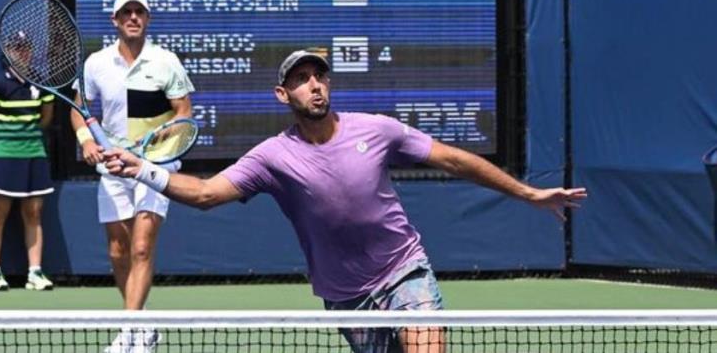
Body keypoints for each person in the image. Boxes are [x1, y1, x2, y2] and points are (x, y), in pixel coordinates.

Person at [104, 49, 588, 352]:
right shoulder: (272, 157)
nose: (315, 84)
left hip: (404, 272)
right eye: (302, 78)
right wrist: (142, 169)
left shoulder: (375, 130)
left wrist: (526, 192)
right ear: (282, 93)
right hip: (346, 298)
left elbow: (454, 160)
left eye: (320, 75)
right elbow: (207, 194)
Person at [70, 0, 194, 352]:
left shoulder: (166, 61)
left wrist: (160, 142)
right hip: (112, 167)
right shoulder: (96, 63)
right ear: (115, 20)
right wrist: (86, 141)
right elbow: (78, 107)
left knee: (141, 248)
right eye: (127, 12)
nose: (133, 17)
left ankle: (128, 331)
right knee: (117, 251)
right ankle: (143, 324)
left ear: (147, 19)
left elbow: (183, 111)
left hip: (154, 166)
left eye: (140, 12)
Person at [0, 34, 55, 292]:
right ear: (8, 51)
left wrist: (26, 137)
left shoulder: (39, 83)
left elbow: (46, 118)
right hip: (3, 156)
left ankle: (35, 272)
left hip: (34, 155)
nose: (21, 52)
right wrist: (4, 139)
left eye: (25, 47)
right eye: (16, 48)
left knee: (33, 213)